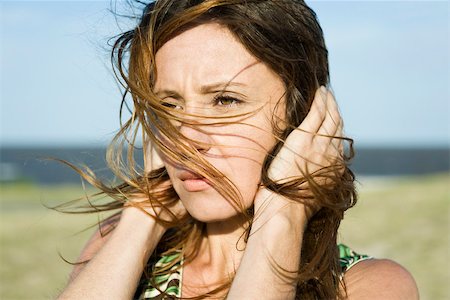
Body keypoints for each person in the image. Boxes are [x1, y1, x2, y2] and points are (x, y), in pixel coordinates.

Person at [57, 0, 418, 299]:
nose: (185, 138)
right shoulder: (122, 243)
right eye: (169, 105)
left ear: (304, 117)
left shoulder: (365, 286)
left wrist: (284, 211)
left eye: (225, 100)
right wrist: (145, 214)